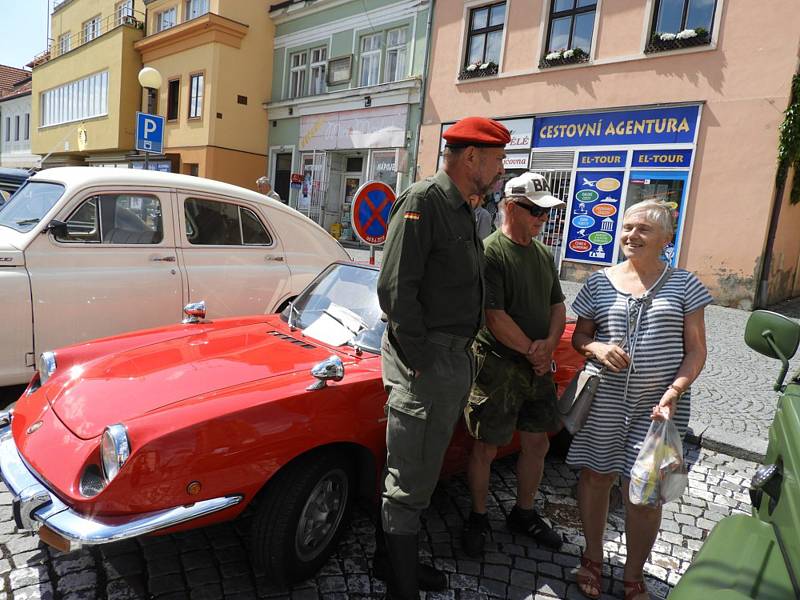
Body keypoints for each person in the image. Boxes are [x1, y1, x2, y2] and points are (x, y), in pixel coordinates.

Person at [374, 116, 509, 599]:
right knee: (408, 482)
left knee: (420, 469)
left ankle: (389, 564)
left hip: (450, 361)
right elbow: (394, 290)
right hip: (428, 361)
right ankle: (401, 587)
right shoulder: (424, 202)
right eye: (496, 159)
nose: (500, 169)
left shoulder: (462, 209)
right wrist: (420, 363)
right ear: (470, 157)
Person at [568, 200, 711, 600]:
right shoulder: (599, 282)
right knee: (595, 478)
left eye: (643, 229)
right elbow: (580, 338)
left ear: (666, 239)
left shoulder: (685, 285)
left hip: (659, 411)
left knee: (646, 494)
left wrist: (674, 392)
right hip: (606, 402)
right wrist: (595, 347)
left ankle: (633, 575)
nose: (631, 235)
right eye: (627, 227)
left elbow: (696, 351)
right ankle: (592, 559)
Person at [461, 172, 567, 557]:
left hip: (536, 366)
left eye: (546, 211)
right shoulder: (490, 251)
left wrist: (550, 346)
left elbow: (558, 305)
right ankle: (477, 516)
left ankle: (523, 512)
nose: (543, 217)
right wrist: (533, 352)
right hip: (499, 366)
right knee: (486, 446)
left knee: (537, 442)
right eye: (535, 210)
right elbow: (493, 315)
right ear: (510, 207)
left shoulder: (541, 253)